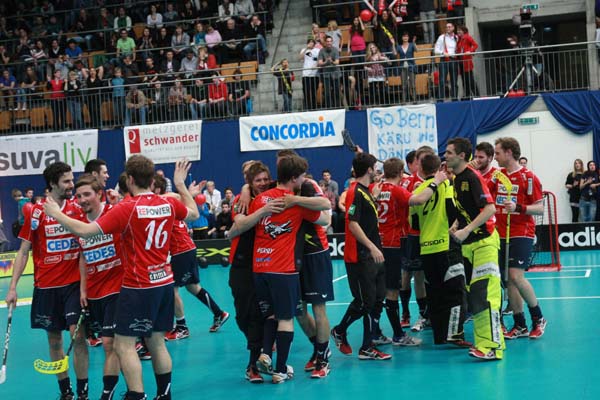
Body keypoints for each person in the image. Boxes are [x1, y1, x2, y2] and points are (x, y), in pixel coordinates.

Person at [42, 157, 199, 400]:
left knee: (123, 345)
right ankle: (164, 395)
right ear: (152, 179)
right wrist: (180, 184)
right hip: (165, 282)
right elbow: (194, 213)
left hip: (138, 286)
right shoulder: (167, 203)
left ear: (130, 179)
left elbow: (86, 231)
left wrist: (55, 213)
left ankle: (137, 395)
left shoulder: (128, 208)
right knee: (157, 343)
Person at [5, 162, 89, 400]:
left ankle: (83, 393)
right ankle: (66, 392)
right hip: (46, 287)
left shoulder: (77, 208)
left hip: (73, 285)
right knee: (54, 341)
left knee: (78, 337)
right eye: (66, 181)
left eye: (72, 180)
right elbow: (24, 251)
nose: (72, 185)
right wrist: (12, 287)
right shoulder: (35, 211)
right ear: (52, 184)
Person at [252, 155, 331, 383]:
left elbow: (326, 214)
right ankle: (312, 352)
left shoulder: (306, 186)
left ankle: (321, 358)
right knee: (295, 313)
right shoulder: (276, 193)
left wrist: (296, 200)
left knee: (315, 309)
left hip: (310, 254)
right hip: (289, 261)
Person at [445, 137, 505, 361]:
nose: (445, 156)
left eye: (449, 153)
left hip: (484, 242)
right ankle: (484, 344)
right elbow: (466, 209)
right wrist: (457, 225)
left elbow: (490, 209)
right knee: (476, 297)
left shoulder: (472, 177)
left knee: (487, 296)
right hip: (469, 246)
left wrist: (467, 229)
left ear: (461, 156)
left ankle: (493, 347)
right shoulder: (457, 179)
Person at [151, 174, 229, 341]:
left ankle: (182, 328)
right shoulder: (166, 202)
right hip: (187, 249)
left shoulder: (163, 201)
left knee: (172, 290)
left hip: (180, 251)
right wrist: (188, 193)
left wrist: (185, 191)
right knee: (193, 287)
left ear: (156, 189)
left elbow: (174, 196)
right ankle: (219, 313)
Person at [227, 161, 285, 383]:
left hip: (267, 263)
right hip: (242, 265)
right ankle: (260, 346)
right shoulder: (241, 200)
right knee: (243, 315)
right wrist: (262, 210)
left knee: (260, 314)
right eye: (257, 180)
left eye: (264, 179)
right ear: (249, 182)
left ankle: (254, 363)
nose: (262, 183)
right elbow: (240, 225)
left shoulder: (274, 192)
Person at [330, 152, 392, 361]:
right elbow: (353, 224)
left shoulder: (365, 191)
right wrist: (372, 247)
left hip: (374, 254)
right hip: (361, 255)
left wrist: (375, 196)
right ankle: (340, 331)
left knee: (378, 299)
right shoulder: (354, 192)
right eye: (375, 168)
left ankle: (367, 346)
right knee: (365, 302)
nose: (377, 171)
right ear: (369, 170)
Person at [409, 154, 470, 346]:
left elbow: (414, 223)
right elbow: (452, 211)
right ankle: (456, 334)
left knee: (434, 294)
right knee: (455, 292)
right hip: (446, 246)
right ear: (439, 169)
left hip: (426, 249)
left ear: (421, 169)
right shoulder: (446, 186)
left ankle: (439, 336)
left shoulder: (418, 190)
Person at [490, 137, 547, 340]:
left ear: (509, 152)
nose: (495, 157)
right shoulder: (497, 176)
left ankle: (538, 318)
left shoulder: (529, 177)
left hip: (521, 231)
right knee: (508, 281)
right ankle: (519, 324)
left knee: (516, 276)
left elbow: (540, 208)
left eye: (497, 153)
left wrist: (519, 208)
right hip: (499, 232)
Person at [74, 174, 124, 400]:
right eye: (78, 196)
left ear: (99, 194)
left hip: (117, 288)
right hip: (94, 293)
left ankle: (107, 394)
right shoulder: (78, 222)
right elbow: (83, 257)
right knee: (115, 346)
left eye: (87, 194)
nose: (82, 199)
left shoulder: (114, 213)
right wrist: (83, 289)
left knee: (109, 344)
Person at [371, 157, 423, 346]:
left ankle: (375, 332)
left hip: (376, 244)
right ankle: (398, 335)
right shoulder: (398, 190)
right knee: (392, 289)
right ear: (401, 173)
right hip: (393, 244)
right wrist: (435, 183)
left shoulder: (375, 188)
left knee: (379, 289)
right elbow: (418, 200)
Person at [434, 22, 458, 100]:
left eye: (449, 27)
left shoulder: (456, 37)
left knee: (454, 80)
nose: (448, 28)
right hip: (444, 59)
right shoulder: (442, 37)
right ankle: (440, 99)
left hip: (454, 60)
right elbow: (436, 50)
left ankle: (454, 98)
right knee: (442, 80)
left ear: (453, 28)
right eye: (446, 27)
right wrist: (443, 53)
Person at [317, 36, 341, 109]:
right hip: (326, 74)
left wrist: (332, 61)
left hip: (336, 73)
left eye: (330, 41)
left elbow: (337, 62)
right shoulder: (321, 51)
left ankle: (337, 107)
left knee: (337, 91)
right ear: (325, 42)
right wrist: (326, 62)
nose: (329, 43)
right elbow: (319, 63)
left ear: (332, 42)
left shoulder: (335, 50)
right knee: (327, 92)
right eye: (327, 41)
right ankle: (329, 108)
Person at [456, 25, 479, 98]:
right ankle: (467, 95)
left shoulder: (467, 37)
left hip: (467, 62)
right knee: (464, 80)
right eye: (457, 30)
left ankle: (476, 95)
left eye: (460, 30)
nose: (458, 32)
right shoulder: (459, 39)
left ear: (464, 31)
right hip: (461, 62)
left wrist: (470, 51)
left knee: (470, 79)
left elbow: (475, 45)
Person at [300, 39, 320, 111]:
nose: (311, 43)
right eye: (309, 42)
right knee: (306, 92)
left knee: (314, 92)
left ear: (314, 43)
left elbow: (320, 59)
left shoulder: (317, 50)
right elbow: (300, 57)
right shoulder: (304, 50)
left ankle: (314, 108)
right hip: (306, 75)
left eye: (312, 42)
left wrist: (316, 65)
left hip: (314, 75)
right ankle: (307, 108)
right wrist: (306, 49)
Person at [396, 31, 417, 103]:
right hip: (402, 67)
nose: (405, 37)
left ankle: (414, 100)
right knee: (403, 85)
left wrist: (414, 42)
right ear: (402, 38)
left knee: (413, 84)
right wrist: (393, 44)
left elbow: (416, 50)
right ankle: (404, 101)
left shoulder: (411, 45)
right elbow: (395, 53)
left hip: (411, 66)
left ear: (408, 37)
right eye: (404, 36)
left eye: (406, 36)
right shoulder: (399, 46)